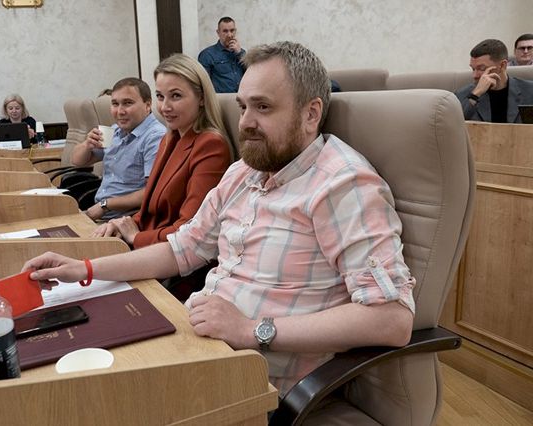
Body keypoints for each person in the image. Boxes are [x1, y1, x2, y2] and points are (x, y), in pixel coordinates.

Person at [23, 41, 415, 396]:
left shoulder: (342, 185)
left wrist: (251, 329)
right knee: (55, 366)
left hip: (251, 380)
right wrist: (84, 269)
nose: (244, 122)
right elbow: (181, 249)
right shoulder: (244, 172)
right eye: (243, 106)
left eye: (263, 107)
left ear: (311, 113)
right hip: (194, 344)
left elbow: (392, 319)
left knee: (76, 397)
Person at [91, 53, 233, 250]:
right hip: (149, 242)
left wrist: (135, 237)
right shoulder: (169, 138)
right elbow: (150, 209)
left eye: (176, 96)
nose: (165, 107)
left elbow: (189, 229)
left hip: (168, 255)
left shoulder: (210, 145)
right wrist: (122, 224)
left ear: (201, 98)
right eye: (160, 96)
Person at [71, 77, 165, 221]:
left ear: (147, 105)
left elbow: (152, 192)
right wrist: (86, 145)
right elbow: (77, 161)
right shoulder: (115, 130)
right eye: (115, 104)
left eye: (128, 103)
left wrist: (105, 205)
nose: (120, 111)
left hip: (125, 220)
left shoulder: (155, 137)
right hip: (101, 213)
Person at [456, 39, 533, 123]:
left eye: (482, 68)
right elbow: (456, 124)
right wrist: (475, 95)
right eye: (473, 69)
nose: (475, 75)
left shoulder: (529, 91)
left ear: (502, 65)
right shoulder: (463, 95)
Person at [198, 17, 245, 93]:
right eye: (225, 31)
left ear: (235, 31)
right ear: (218, 32)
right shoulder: (207, 54)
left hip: (241, 96)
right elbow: (203, 84)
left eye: (232, 30)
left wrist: (240, 53)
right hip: (221, 98)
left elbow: (252, 75)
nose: (229, 35)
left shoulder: (242, 52)